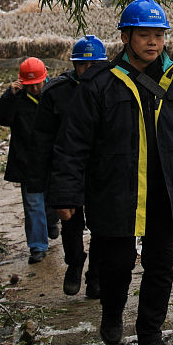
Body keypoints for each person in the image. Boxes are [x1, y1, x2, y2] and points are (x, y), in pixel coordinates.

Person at [49, 0, 173, 345]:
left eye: (159, 35)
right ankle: (112, 314)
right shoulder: (101, 83)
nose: (153, 42)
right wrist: (66, 194)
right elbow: (73, 143)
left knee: (160, 266)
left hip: (167, 190)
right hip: (115, 192)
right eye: (145, 35)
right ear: (125, 37)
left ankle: (150, 332)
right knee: (115, 265)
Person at [31, 35, 108, 298]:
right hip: (65, 169)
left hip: (100, 170)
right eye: (83, 65)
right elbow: (41, 140)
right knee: (71, 222)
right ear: (74, 65)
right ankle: (74, 263)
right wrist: (44, 182)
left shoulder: (111, 89)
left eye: (95, 65)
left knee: (102, 226)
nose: (89, 71)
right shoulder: (55, 92)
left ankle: (95, 276)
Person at [0, 56, 51, 264]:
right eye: (30, 85)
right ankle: (38, 247)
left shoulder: (55, 95)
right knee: (33, 205)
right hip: (28, 162)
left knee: (52, 203)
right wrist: (9, 96)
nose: (34, 89)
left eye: (37, 84)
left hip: (53, 161)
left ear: (46, 78)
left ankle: (51, 224)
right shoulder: (16, 100)